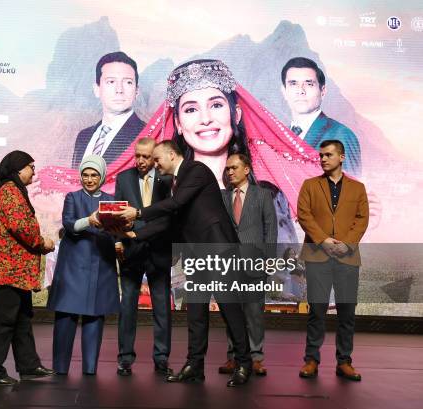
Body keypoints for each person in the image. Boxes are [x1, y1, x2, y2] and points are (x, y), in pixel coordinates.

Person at [117, 138, 250, 387]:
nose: (155, 165)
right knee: (196, 312)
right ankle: (194, 365)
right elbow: (171, 222)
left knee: (229, 307)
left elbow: (175, 206)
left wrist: (138, 213)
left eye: (157, 159)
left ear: (171, 155)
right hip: (195, 252)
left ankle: (244, 363)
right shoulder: (178, 182)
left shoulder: (195, 170)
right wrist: (135, 234)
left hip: (217, 248)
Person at [0, 150, 55, 386]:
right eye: (31, 166)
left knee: (21, 318)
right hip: (6, 272)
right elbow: (23, 228)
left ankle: (28, 365)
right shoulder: (10, 192)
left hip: (15, 272)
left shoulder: (13, 191)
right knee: (2, 323)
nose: (34, 171)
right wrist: (43, 243)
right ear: (18, 169)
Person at [297, 140, 369, 381]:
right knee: (316, 310)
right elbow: (304, 215)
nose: (323, 159)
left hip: (347, 257)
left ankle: (344, 361)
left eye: (328, 155)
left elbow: (362, 219)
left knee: (347, 312)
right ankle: (311, 360)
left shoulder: (358, 188)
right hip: (318, 254)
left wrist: (346, 244)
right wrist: (324, 240)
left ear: (342, 157)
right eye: (321, 155)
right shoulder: (309, 185)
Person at [47, 155, 120, 375]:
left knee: (95, 316)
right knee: (66, 317)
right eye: (86, 175)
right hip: (73, 266)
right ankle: (60, 368)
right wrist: (89, 220)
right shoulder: (72, 197)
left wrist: (119, 242)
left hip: (101, 263)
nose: (89, 179)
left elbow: (116, 230)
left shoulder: (111, 200)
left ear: (102, 176)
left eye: (94, 175)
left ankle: (90, 368)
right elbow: (69, 224)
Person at [113, 137, 173, 377]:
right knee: (127, 305)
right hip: (131, 250)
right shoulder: (124, 178)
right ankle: (125, 358)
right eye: (137, 155)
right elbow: (117, 214)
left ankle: (161, 358)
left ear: (154, 155)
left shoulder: (166, 179)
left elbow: (169, 214)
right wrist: (117, 240)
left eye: (145, 156)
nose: (140, 160)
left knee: (161, 307)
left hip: (159, 250)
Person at [219, 153, 277, 377]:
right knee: (232, 312)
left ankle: (255, 358)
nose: (230, 172)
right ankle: (234, 356)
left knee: (253, 313)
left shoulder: (262, 195)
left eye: (234, 167)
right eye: (227, 169)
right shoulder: (223, 197)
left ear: (247, 169)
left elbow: (271, 230)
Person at [281, 57, 361, 176]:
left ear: (322, 91)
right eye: (293, 84)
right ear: (284, 91)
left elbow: (350, 190)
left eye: (309, 84)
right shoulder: (280, 136)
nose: (301, 91)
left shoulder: (342, 135)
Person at [71, 51, 145, 168]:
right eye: (111, 81)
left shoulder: (147, 137)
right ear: (97, 89)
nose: (119, 90)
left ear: (137, 91)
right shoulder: (83, 137)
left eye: (128, 82)